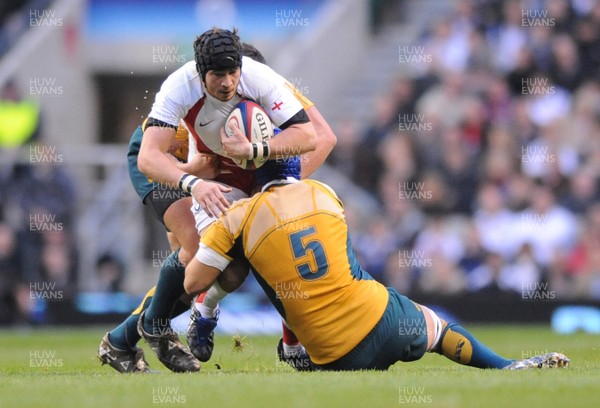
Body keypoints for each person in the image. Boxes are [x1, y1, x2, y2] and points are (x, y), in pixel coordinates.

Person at [184, 157, 570, 371]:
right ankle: (504, 367)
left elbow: (192, 280)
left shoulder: (240, 215)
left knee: (270, 265)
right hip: (380, 318)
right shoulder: (323, 191)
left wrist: (211, 247)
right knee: (436, 328)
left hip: (330, 355)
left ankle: (226, 318)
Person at [97, 29, 336, 373]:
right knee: (198, 253)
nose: (228, 83)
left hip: (217, 174)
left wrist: (275, 188)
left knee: (233, 261)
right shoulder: (181, 90)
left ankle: (122, 340)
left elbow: (322, 137)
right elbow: (152, 157)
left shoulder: (266, 83)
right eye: (218, 74)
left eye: (233, 73)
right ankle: (155, 329)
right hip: (169, 164)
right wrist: (190, 177)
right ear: (202, 73)